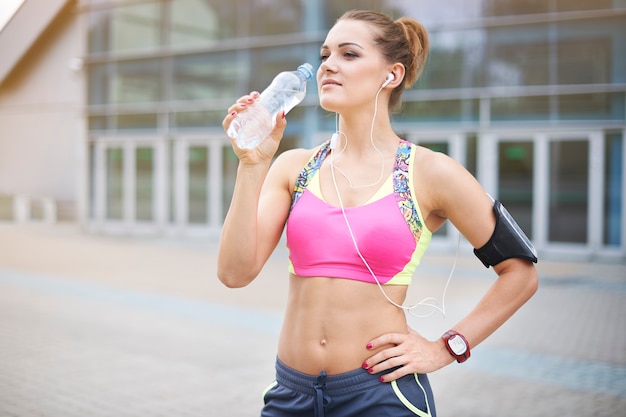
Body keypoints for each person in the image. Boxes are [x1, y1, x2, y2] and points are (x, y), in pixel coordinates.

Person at [218, 9, 538, 417]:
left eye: (349, 54)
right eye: (325, 54)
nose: (328, 65)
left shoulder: (430, 171)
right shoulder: (293, 166)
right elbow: (234, 273)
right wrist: (251, 164)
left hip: (381, 397)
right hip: (291, 396)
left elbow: (521, 273)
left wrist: (447, 347)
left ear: (391, 75)